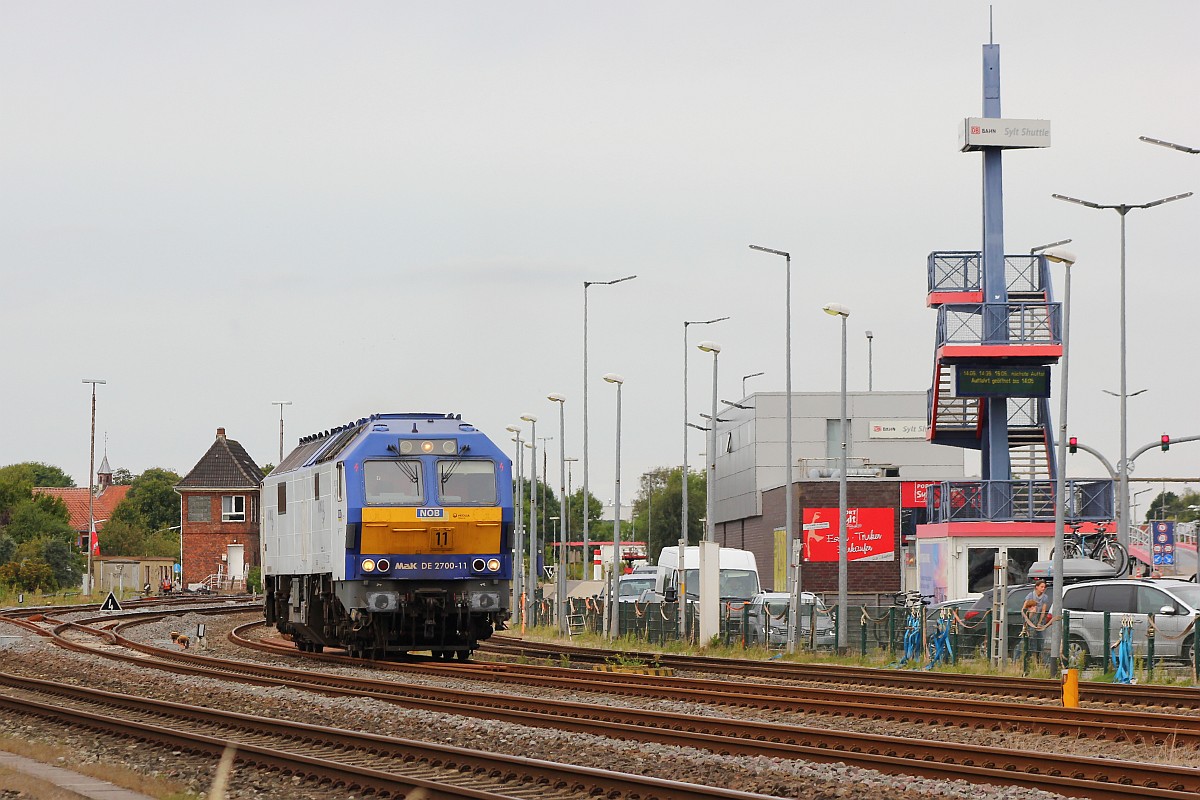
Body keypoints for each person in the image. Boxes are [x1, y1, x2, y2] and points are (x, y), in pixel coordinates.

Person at [1022, 579, 1053, 663]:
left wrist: (1040, 622)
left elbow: (1043, 611)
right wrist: (1029, 616)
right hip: (1030, 619)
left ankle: (1039, 661)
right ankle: (1024, 659)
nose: (1043, 588)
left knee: (1040, 640)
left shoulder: (1044, 597)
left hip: (1038, 619)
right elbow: (1024, 609)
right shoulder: (1030, 595)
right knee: (1028, 640)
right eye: (1041, 587)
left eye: (1044, 587)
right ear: (1037, 587)